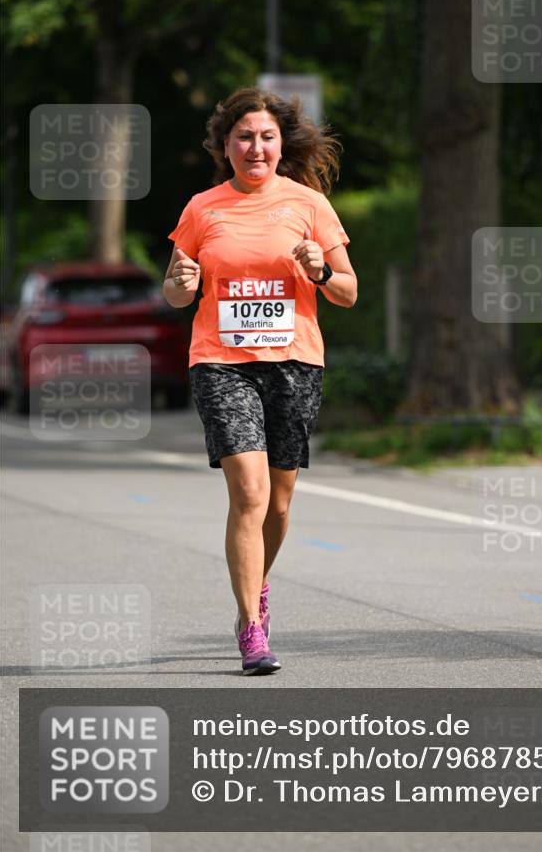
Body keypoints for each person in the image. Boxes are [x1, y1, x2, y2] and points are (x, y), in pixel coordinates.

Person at [163, 87, 357, 676]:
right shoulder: (203, 208)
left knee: (279, 502)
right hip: (220, 360)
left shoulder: (310, 205)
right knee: (247, 493)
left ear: (281, 145)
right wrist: (181, 278)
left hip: (293, 361)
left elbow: (347, 292)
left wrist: (321, 269)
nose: (256, 147)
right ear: (226, 145)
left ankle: (259, 583)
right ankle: (251, 627)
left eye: (267, 137)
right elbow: (176, 295)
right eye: (244, 136)